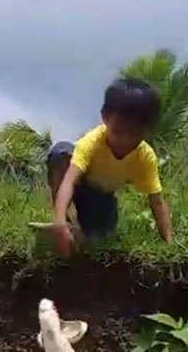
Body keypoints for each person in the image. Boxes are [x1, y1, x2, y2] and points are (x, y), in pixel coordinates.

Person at [46, 77, 173, 256]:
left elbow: (157, 202)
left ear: (148, 130)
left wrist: (170, 244)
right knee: (61, 153)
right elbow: (69, 181)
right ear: (105, 117)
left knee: (101, 241)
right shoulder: (92, 142)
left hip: (102, 198)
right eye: (118, 132)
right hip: (79, 184)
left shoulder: (144, 157)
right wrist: (59, 221)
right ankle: (65, 223)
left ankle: (81, 230)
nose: (125, 140)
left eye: (135, 134)